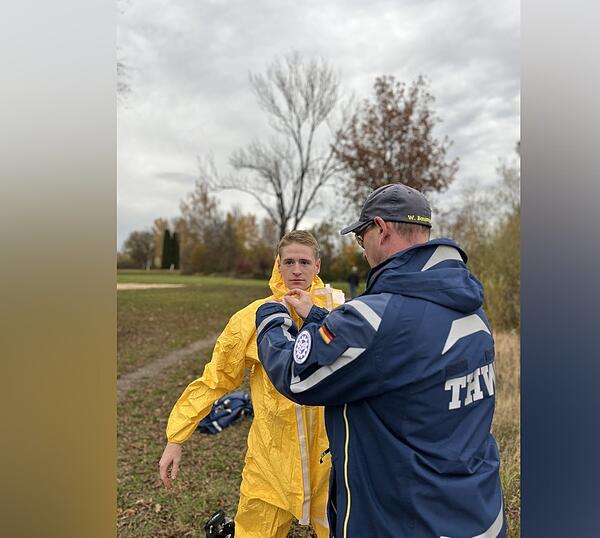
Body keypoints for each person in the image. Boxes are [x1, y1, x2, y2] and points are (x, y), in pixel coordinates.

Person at [255, 184, 505, 537]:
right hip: (476, 513)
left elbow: (298, 373)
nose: (363, 249)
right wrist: (317, 319)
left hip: (405, 520)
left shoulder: (374, 318)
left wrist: (271, 320)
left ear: (382, 229)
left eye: (361, 238)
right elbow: (387, 358)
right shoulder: (469, 308)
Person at [158, 230, 342, 538]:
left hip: (331, 462)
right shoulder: (253, 317)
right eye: (289, 261)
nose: (297, 270)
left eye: (304, 262)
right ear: (278, 265)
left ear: (317, 266)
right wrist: (176, 437)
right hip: (271, 463)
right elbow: (215, 378)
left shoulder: (340, 310)